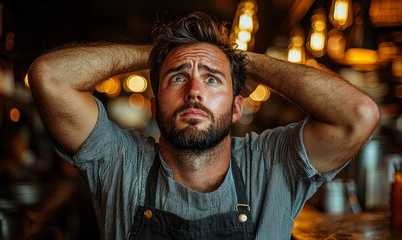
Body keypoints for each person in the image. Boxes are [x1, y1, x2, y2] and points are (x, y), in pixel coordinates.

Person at [28, 11, 379, 240]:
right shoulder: (120, 161)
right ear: (154, 104)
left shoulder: (272, 164)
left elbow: (358, 115)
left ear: (237, 106)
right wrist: (158, 53)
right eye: (177, 77)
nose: (194, 92)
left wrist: (236, 58)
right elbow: (49, 76)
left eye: (212, 80)